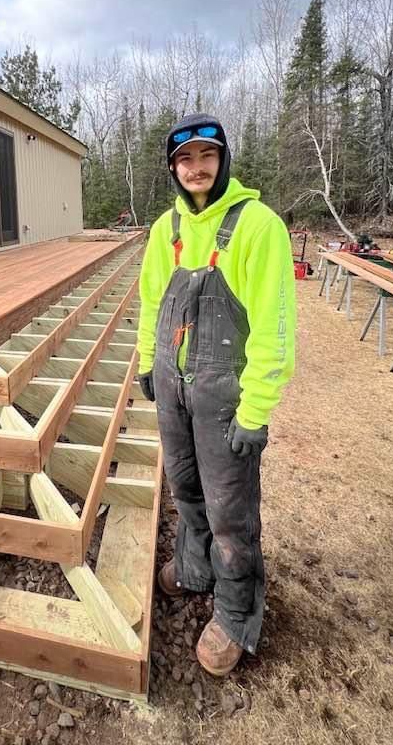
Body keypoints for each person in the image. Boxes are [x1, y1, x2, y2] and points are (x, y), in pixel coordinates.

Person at [136, 113, 296, 677]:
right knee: (184, 488)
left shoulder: (258, 227)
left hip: (225, 397)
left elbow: (274, 330)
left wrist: (256, 410)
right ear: (173, 168)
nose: (196, 168)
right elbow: (151, 302)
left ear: (223, 159)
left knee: (231, 511)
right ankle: (193, 568)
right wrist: (147, 363)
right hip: (174, 389)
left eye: (207, 155)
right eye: (184, 159)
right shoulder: (166, 230)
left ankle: (235, 612)